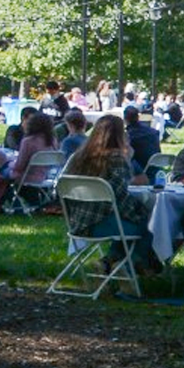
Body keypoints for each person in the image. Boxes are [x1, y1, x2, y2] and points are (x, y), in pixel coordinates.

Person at [63, 114, 154, 269]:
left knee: (130, 225)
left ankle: (108, 262)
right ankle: (131, 266)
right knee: (151, 225)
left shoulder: (78, 156)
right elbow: (121, 198)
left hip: (78, 222)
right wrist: (142, 212)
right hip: (102, 222)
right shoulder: (116, 158)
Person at [9, 111, 61, 206]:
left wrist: (10, 164)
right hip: (46, 176)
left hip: (26, 178)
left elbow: (20, 166)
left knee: (3, 173)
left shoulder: (28, 141)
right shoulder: (53, 141)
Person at [122, 106, 161, 172]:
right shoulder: (153, 131)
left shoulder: (130, 135)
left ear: (125, 119)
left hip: (140, 169)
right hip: (157, 166)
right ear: (138, 117)